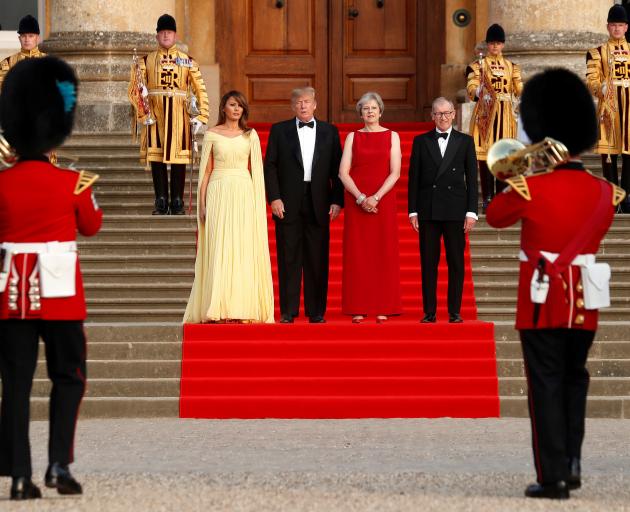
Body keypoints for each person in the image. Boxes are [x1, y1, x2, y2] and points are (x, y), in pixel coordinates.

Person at [486, 68, 624, 500]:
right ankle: (574, 464)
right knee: (574, 379)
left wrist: (527, 164)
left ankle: (553, 476)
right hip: (584, 299)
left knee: (544, 384)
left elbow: (495, 216)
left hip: (542, 300)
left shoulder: (531, 188)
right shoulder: (606, 193)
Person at [0, 57, 103, 500]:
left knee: (15, 386)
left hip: (11, 296)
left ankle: (19, 476)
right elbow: (92, 225)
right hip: (61, 296)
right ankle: (58, 466)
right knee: (68, 378)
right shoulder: (74, 182)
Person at [183, 91, 273, 323]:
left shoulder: (250, 136)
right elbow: (205, 172)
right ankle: (216, 307)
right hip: (218, 192)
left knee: (240, 249)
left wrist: (256, 205)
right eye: (232, 105)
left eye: (240, 106)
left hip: (243, 193)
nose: (236, 110)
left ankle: (239, 308)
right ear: (224, 107)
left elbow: (257, 173)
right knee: (218, 247)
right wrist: (201, 204)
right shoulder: (212, 134)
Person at [264, 87, 343, 323]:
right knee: (288, 258)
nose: (303, 106)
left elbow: (338, 169)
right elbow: (270, 166)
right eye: (298, 102)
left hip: (319, 201)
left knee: (317, 258)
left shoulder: (330, 131)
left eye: (307, 102)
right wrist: (274, 198)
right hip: (287, 202)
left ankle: (316, 311)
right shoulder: (279, 131)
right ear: (292, 106)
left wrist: (337, 200)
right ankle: (288, 311)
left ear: (315, 104)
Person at [128, 13, 209, 215]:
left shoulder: (187, 61)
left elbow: (200, 89)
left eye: (169, 32)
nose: (166, 35)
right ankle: (161, 200)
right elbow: (135, 89)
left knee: (179, 158)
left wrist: (202, 115)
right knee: (157, 158)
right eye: (162, 32)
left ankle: (178, 200)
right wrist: (142, 112)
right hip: (154, 115)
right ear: (157, 36)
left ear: (175, 35)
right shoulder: (144, 61)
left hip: (180, 115)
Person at [407, 97, 478, 324]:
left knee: (456, 263)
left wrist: (471, 212)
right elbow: (413, 179)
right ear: (432, 117)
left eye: (447, 113)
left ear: (454, 114)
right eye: (439, 114)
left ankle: (454, 311)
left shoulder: (465, 142)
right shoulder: (421, 141)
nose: (443, 117)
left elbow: (472, 180)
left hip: (456, 211)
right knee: (429, 263)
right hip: (428, 210)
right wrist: (413, 211)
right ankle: (430, 312)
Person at [338, 92, 402, 323]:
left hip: (383, 202)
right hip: (357, 202)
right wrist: (361, 197)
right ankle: (358, 307)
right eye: (365, 108)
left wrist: (375, 197)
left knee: (382, 254)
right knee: (359, 256)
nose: (370, 111)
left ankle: (383, 306)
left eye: (373, 108)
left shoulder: (392, 136)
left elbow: (395, 172)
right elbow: (343, 172)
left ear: (380, 111)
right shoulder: (352, 137)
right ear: (361, 113)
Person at [466, 23, 523, 212]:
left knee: (503, 155)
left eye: (498, 43)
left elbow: (519, 88)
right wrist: (478, 90)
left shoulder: (512, 67)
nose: (495, 47)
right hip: (485, 113)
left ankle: (501, 196)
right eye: (492, 43)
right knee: (484, 154)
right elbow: (471, 87)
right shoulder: (477, 65)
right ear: (487, 45)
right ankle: (488, 197)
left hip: (506, 114)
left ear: (503, 45)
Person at [586, 4, 630, 213]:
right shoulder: (596, 53)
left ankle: (627, 196)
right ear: (607, 27)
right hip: (609, 108)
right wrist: (600, 87)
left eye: (620, 25)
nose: (617, 29)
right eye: (613, 25)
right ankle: (613, 198)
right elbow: (591, 79)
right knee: (609, 156)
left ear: (626, 27)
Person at [0, 15, 45, 91]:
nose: (27, 39)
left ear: (38, 38)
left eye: (31, 36)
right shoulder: (8, 62)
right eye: (24, 36)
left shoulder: (48, 61)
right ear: (19, 38)